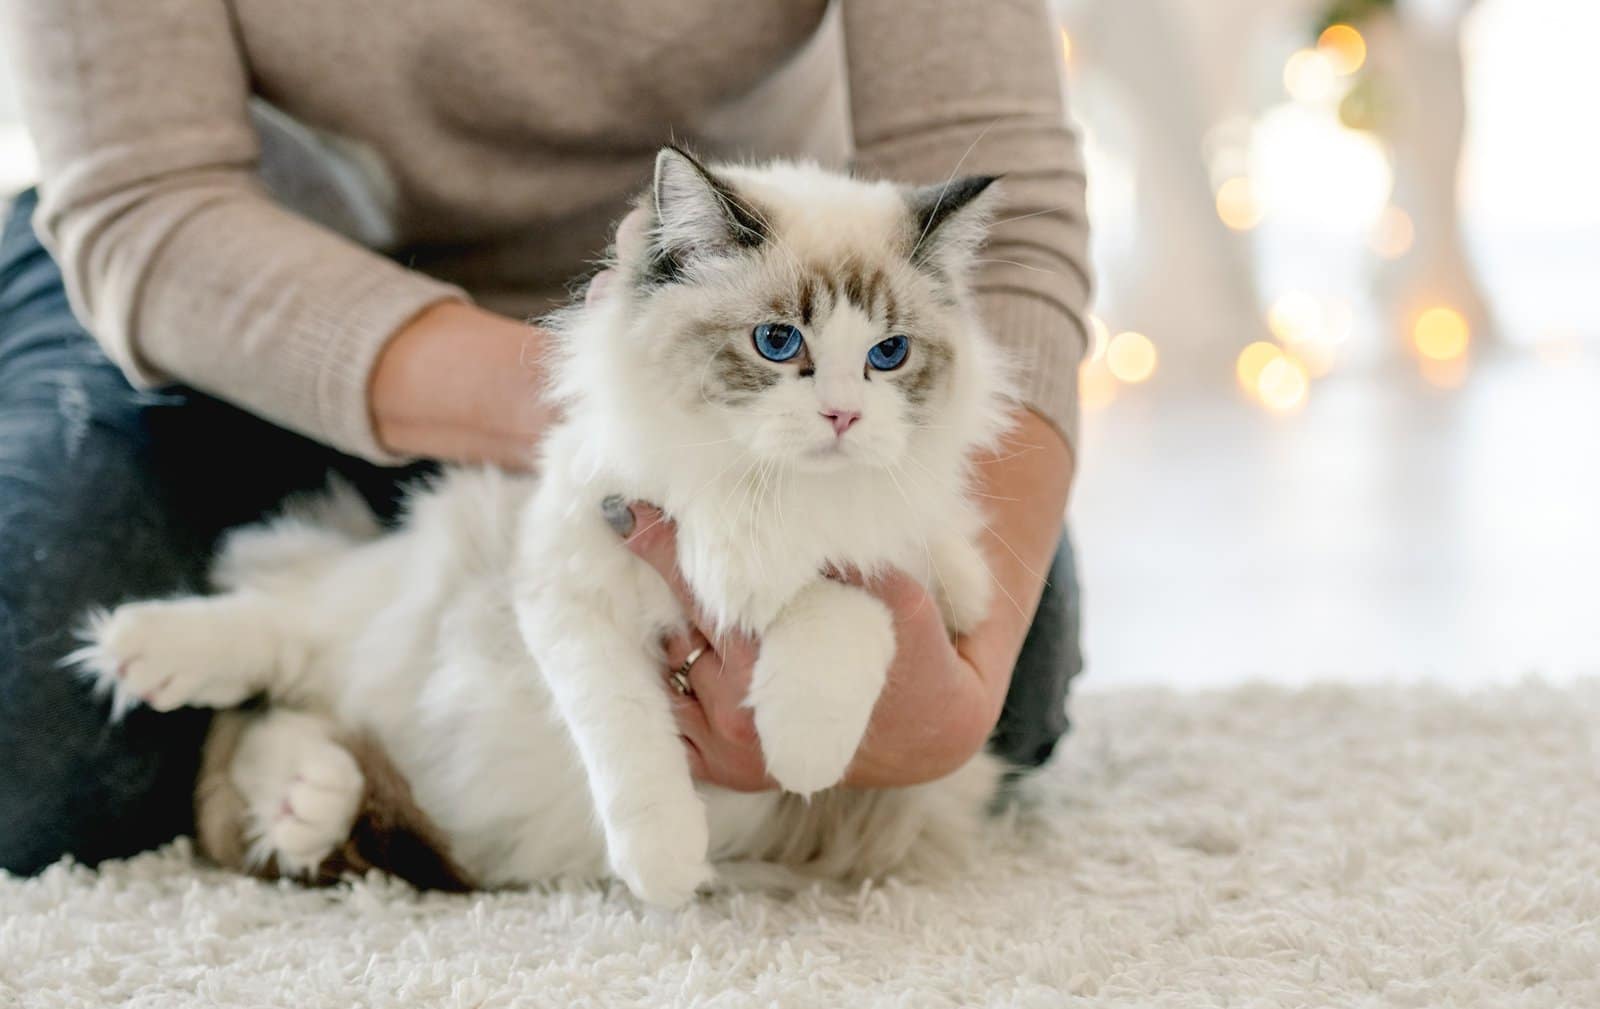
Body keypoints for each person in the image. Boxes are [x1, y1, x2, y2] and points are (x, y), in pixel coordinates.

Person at [0, 0, 1089, 876]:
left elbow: (1012, 217)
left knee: (1002, 683)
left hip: (769, 285)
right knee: (32, 730)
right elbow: (150, 204)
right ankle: (301, 662)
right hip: (252, 293)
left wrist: (954, 693)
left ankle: (355, 734)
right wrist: (613, 423)